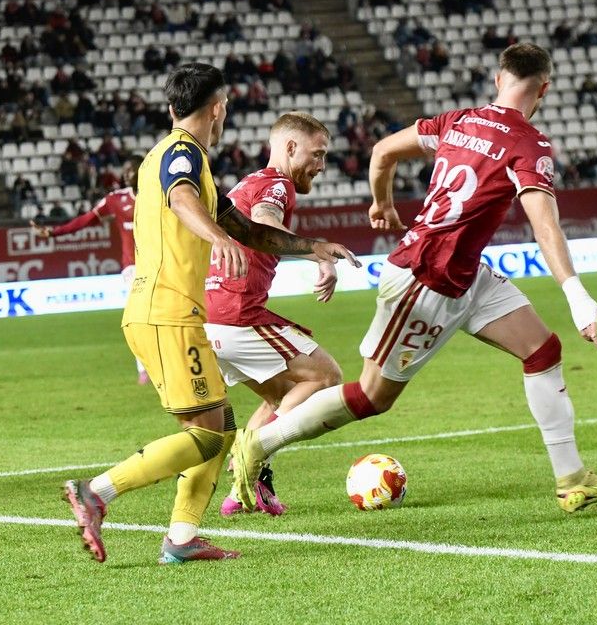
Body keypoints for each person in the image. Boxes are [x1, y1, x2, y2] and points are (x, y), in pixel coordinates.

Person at [230, 44, 597, 515]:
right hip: (424, 280)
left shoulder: (457, 121)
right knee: (370, 396)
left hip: (467, 276)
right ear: (543, 88)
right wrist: (575, 292)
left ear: (497, 78)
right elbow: (544, 224)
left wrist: (382, 203)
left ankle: (572, 480)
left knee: (542, 349)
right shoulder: (530, 145)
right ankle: (259, 445)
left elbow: (383, 151)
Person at [62, 63, 359, 565]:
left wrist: (312, 246)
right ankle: (96, 492)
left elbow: (247, 228)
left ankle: (181, 539)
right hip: (166, 312)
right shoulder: (180, 154)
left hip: (177, 314)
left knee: (219, 425)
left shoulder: (187, 159)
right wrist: (218, 238)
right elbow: (182, 201)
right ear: (217, 108)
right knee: (205, 434)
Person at [206, 112, 344, 517]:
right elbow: (265, 220)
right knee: (326, 376)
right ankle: (251, 455)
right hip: (238, 313)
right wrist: (317, 251)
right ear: (289, 148)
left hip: (213, 316)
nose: (321, 165)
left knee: (282, 395)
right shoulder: (277, 184)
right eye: (316, 154)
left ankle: (243, 493)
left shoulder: (248, 182)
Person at [32, 154, 147, 384]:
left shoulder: (158, 197)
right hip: (133, 269)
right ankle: (143, 368)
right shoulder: (115, 199)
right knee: (138, 318)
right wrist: (54, 232)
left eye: (131, 169)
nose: (126, 173)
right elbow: (86, 219)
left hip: (160, 264)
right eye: (124, 169)